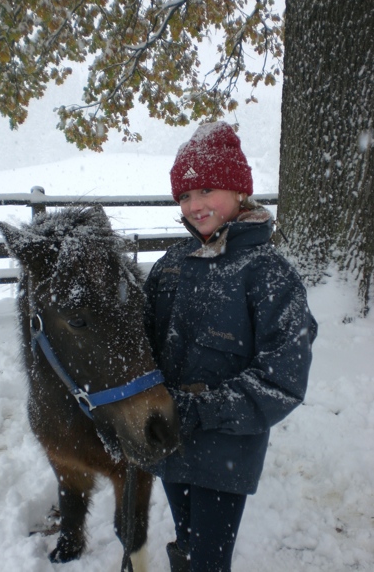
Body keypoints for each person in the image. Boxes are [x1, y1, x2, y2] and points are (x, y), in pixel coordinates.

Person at [143, 122, 318, 572]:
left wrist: (198, 410)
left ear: (240, 192)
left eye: (205, 190)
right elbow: (139, 343)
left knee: (209, 555)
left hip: (226, 449)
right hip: (168, 441)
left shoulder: (268, 275)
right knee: (186, 533)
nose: (194, 205)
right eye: (184, 196)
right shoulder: (170, 267)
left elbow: (282, 379)